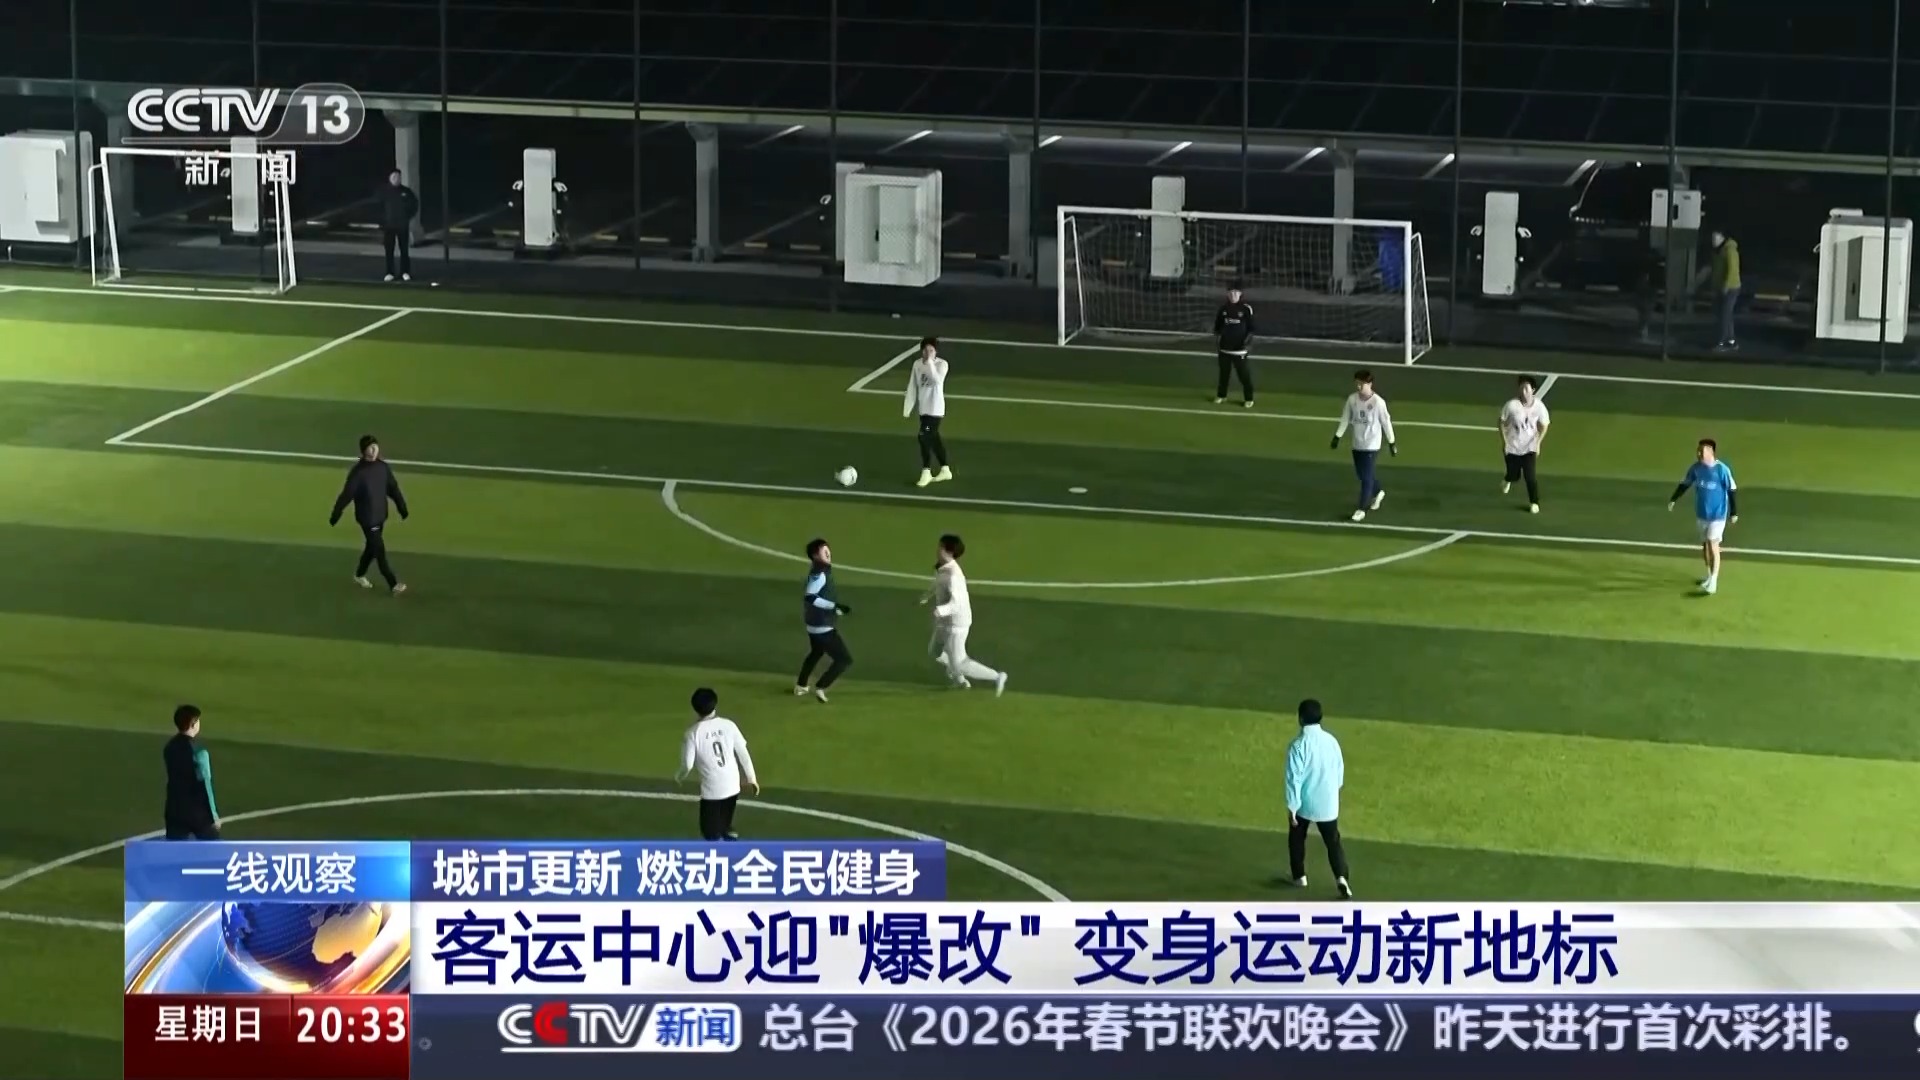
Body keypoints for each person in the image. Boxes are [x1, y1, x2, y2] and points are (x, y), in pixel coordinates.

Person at [921, 534, 1008, 696]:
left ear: (946, 550)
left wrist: (940, 610)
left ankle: (997, 677)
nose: (936, 549)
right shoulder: (942, 568)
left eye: (939, 546)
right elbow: (937, 583)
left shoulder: (954, 576)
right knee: (935, 652)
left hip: (956, 624)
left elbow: (957, 603)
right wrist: (926, 596)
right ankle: (959, 679)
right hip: (944, 621)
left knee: (960, 662)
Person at [1285, 699, 1350, 898]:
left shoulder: (1298, 746)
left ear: (1300, 718)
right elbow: (1339, 770)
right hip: (1327, 802)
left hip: (1305, 803)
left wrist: (1292, 806)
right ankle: (1341, 877)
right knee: (1333, 842)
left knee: (1297, 838)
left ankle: (1300, 877)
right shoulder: (1332, 741)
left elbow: (1294, 778)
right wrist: (1333, 791)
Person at [329, 435, 409, 595]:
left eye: (375, 447)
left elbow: (393, 489)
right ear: (363, 451)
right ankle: (393, 584)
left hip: (380, 515)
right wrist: (336, 514)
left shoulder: (383, 468)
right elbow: (346, 495)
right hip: (367, 518)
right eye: (369, 448)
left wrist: (402, 507)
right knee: (379, 550)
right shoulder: (358, 473)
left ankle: (359, 574)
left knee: (371, 547)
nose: (373, 450)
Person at [677, 687, 757, 841]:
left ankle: (718, 846)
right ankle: (727, 833)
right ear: (715, 704)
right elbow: (743, 753)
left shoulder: (692, 733)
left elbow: (687, 764)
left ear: (695, 708)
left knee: (709, 832)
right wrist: (751, 778)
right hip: (733, 784)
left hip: (712, 790)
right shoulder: (729, 725)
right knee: (726, 817)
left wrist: (679, 776)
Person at [1669, 438, 1738, 595]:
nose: (1699, 453)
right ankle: (1708, 575)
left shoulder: (1722, 470)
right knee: (1705, 546)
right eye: (1698, 450)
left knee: (1713, 544)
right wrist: (1674, 498)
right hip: (1702, 513)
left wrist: (1734, 512)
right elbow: (1685, 484)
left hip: (1717, 515)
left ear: (1711, 452)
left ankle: (1714, 581)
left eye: (1702, 451)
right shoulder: (1696, 469)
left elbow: (1732, 489)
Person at [1330, 370, 1397, 522]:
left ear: (1370, 384)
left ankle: (1361, 509)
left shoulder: (1378, 403)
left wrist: (1391, 442)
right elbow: (1345, 418)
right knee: (1362, 475)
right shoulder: (1352, 400)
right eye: (1357, 384)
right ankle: (1378, 491)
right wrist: (1337, 436)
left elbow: (1386, 422)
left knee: (1366, 478)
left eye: (1362, 384)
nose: (1359, 387)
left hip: (1372, 445)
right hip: (1357, 443)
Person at [794, 538, 853, 702]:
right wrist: (834, 606)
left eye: (828, 550)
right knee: (844, 660)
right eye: (824, 551)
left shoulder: (820, 571)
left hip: (815, 624)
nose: (828, 553)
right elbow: (811, 597)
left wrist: (835, 609)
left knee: (816, 653)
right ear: (815, 555)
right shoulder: (819, 574)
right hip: (822, 627)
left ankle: (801, 685)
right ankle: (821, 686)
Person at [163, 705, 220, 841]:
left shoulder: (169, 748)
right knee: (211, 848)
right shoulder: (199, 752)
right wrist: (213, 815)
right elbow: (205, 785)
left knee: (175, 850)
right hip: (197, 813)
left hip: (174, 809)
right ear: (193, 724)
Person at [903, 336, 952, 488]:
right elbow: (912, 386)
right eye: (925, 350)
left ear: (935, 351)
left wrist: (930, 363)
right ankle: (945, 470)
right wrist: (908, 407)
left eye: (931, 350)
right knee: (934, 438)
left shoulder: (942, 364)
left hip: (935, 409)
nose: (928, 353)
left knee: (923, 437)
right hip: (924, 409)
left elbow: (937, 380)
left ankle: (926, 472)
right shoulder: (917, 365)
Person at [1498, 375, 1551, 513]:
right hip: (1513, 446)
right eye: (1521, 388)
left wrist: (1538, 443)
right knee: (1514, 475)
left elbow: (1544, 425)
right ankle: (1508, 479)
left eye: (1526, 389)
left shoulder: (1539, 407)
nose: (1523, 392)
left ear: (1533, 390)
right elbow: (1501, 422)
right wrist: (1504, 442)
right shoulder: (1511, 405)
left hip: (1529, 446)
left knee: (1530, 476)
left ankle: (1534, 502)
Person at [1212, 283, 1255, 408]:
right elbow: (1217, 328)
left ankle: (1249, 398)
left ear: (1240, 294)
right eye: (1231, 292)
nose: (1233, 295)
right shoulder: (1223, 309)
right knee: (1224, 375)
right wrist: (1218, 342)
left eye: (1236, 292)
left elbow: (1251, 329)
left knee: (1244, 376)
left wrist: (1246, 343)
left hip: (1239, 350)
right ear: (1227, 294)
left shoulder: (1246, 309)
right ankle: (1221, 395)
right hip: (1224, 348)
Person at [379, 169, 419, 283]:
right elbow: (377, 207)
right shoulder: (384, 192)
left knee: (404, 250)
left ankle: (405, 272)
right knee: (389, 250)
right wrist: (382, 222)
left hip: (402, 226)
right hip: (389, 226)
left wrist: (407, 217)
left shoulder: (406, 191)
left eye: (398, 177)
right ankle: (390, 272)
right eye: (394, 177)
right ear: (389, 178)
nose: (396, 179)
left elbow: (414, 205)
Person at [1709, 230, 1741, 351]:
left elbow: (1732, 269)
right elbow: (1715, 269)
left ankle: (1722, 342)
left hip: (1731, 288)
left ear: (1722, 238)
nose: (1713, 241)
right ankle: (1731, 341)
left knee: (1724, 315)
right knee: (1725, 315)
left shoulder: (1730, 250)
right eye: (1712, 238)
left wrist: (1726, 286)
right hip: (1721, 287)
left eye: (1715, 238)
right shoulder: (1717, 251)